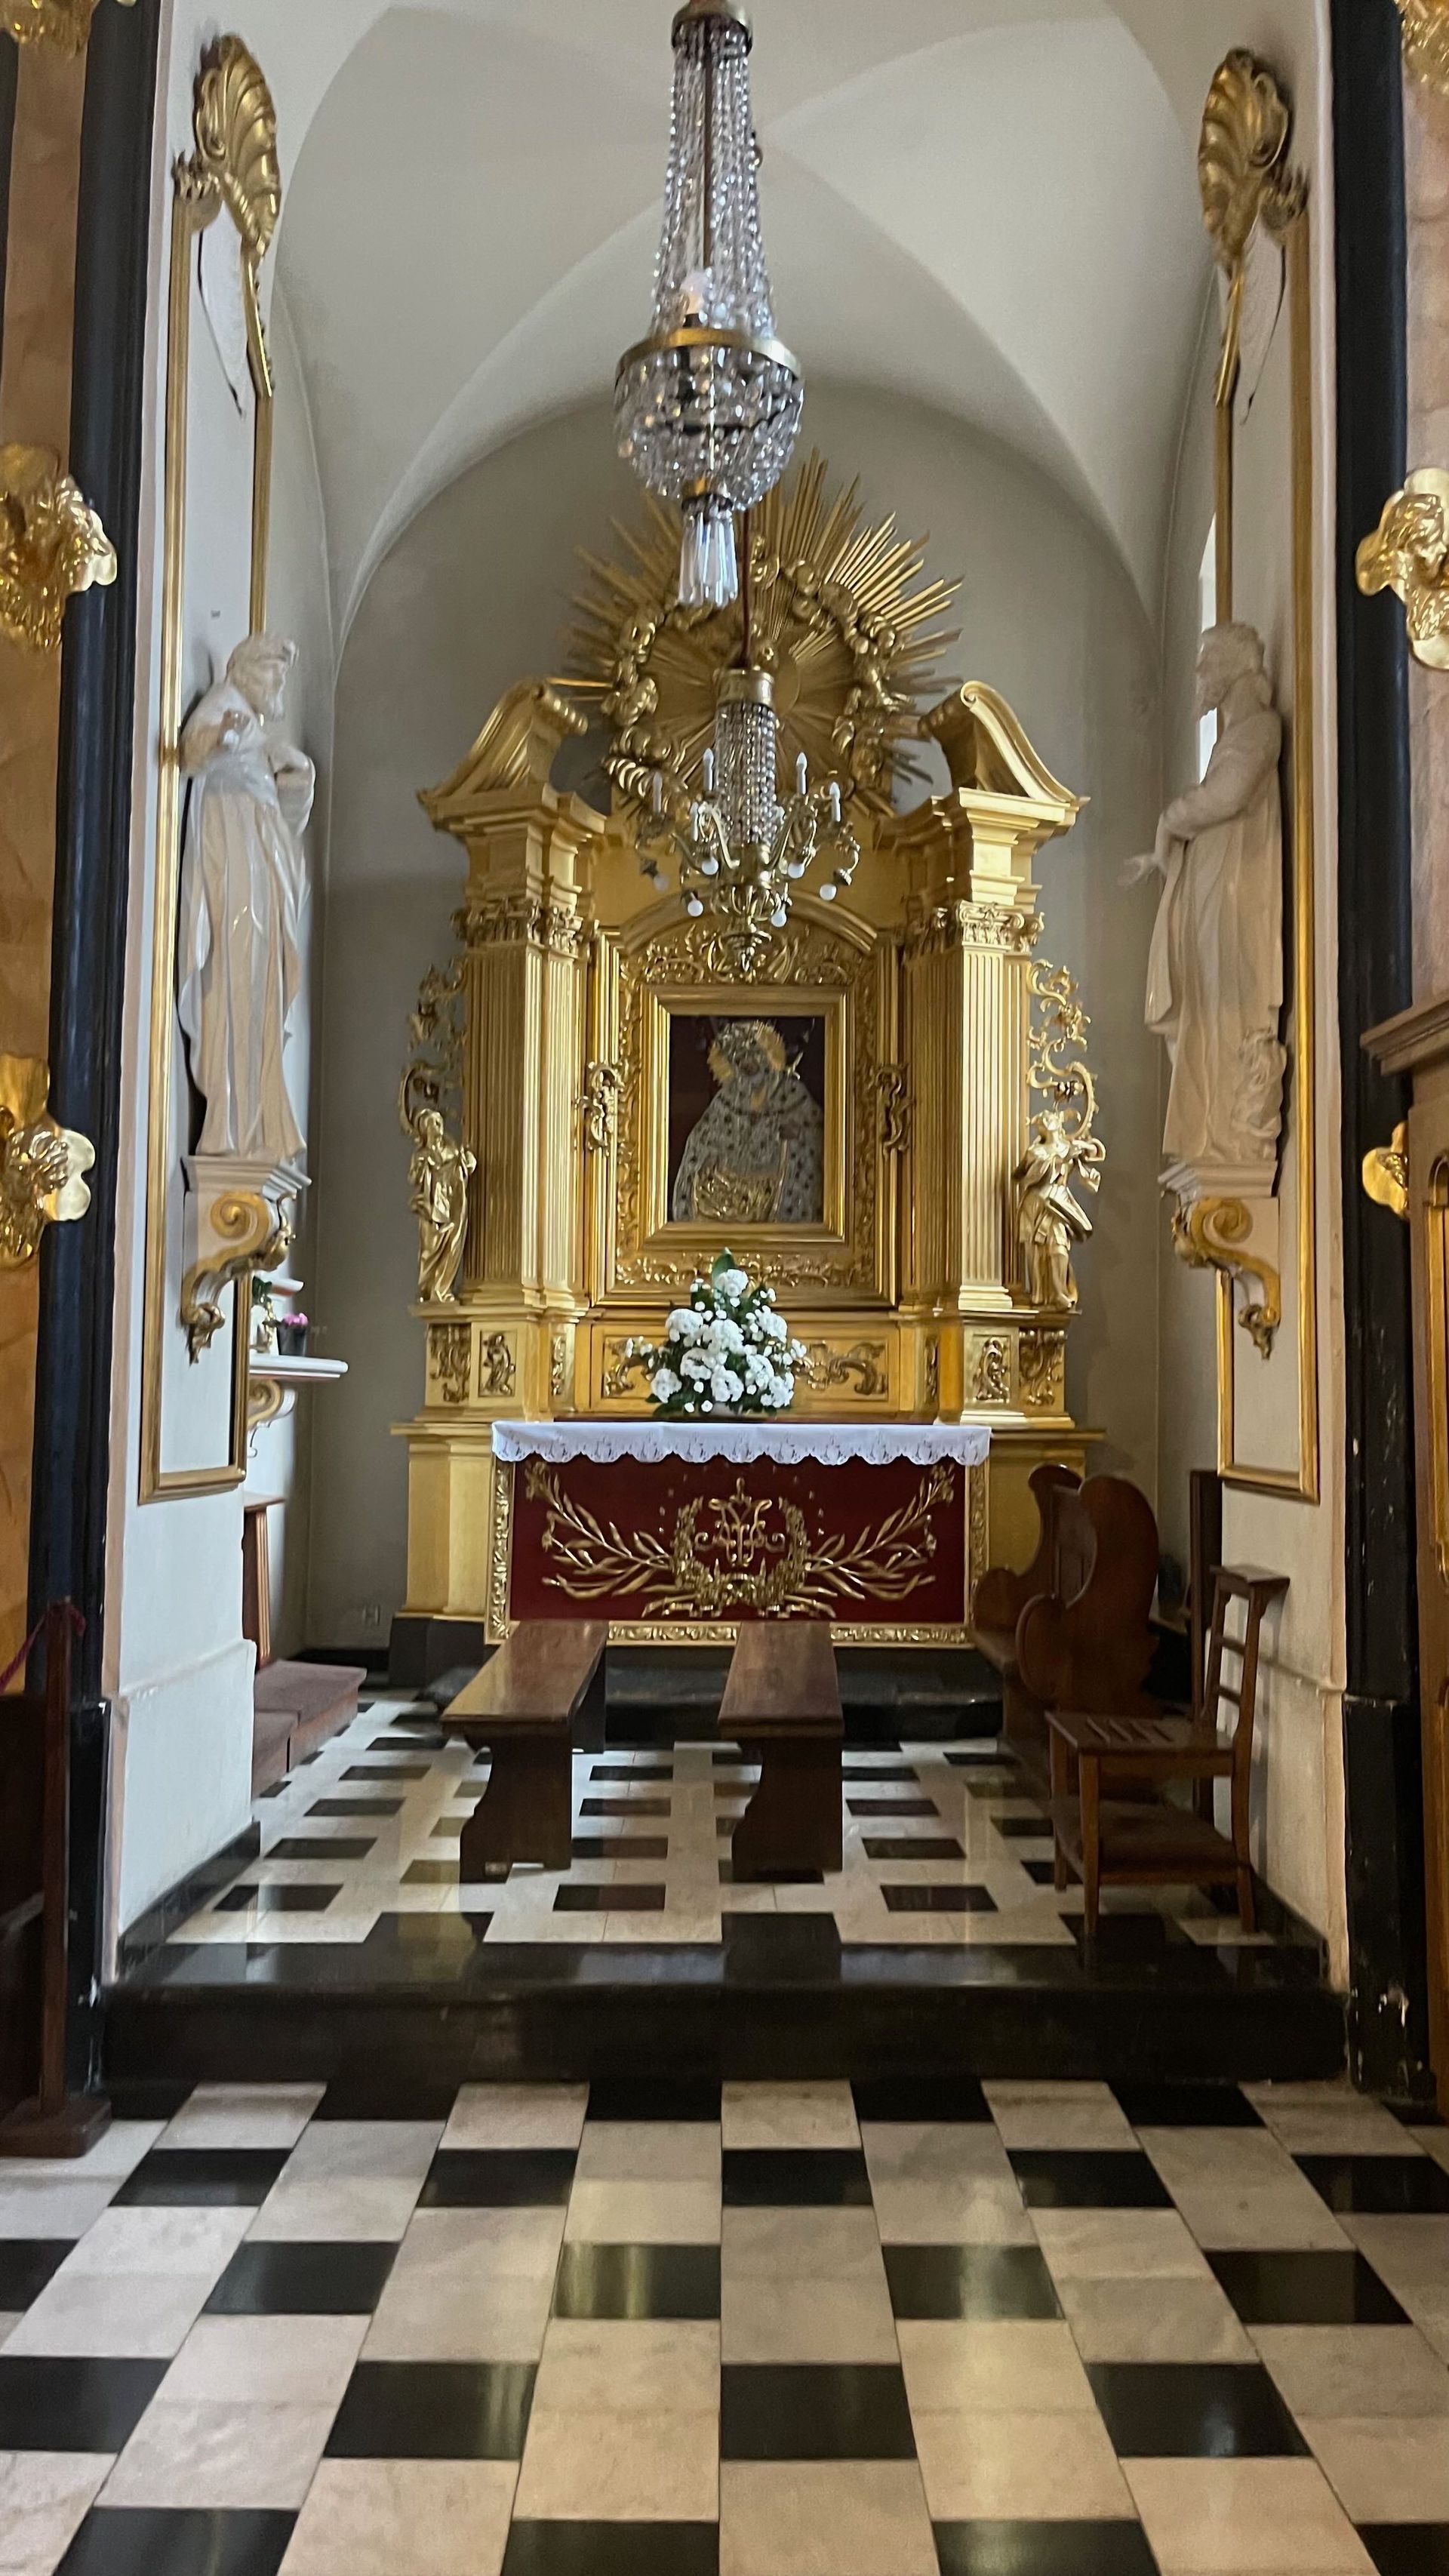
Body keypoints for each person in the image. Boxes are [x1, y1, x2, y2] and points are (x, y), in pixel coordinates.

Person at [1124, 621, 1285, 1186]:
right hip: (1213, 887)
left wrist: (1170, 820)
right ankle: (1211, 1127)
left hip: (1235, 892)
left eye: (1205, 662)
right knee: (1202, 1003)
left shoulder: (1259, 730)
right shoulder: (1233, 734)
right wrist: (1165, 855)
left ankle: (1227, 1130)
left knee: (1223, 1003)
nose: (1198, 675)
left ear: (1234, 666)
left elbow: (1229, 795)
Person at [177, 633, 314, 1165]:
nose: (278, 687)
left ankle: (253, 1120)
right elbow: (192, 751)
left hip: (259, 868)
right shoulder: (225, 705)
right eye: (274, 674)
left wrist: (298, 782)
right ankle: (229, 1121)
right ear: (245, 669)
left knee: (261, 985)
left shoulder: (255, 726)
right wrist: (226, 739)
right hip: (232, 866)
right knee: (236, 980)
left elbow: (280, 819)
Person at [671, 1018, 824, 1225]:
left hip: (772, 1193)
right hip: (726, 1195)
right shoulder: (728, 1099)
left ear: (768, 1055)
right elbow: (701, 1143)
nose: (746, 1062)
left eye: (752, 1054)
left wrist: (792, 1136)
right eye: (738, 1058)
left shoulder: (793, 1097)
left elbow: (811, 1137)